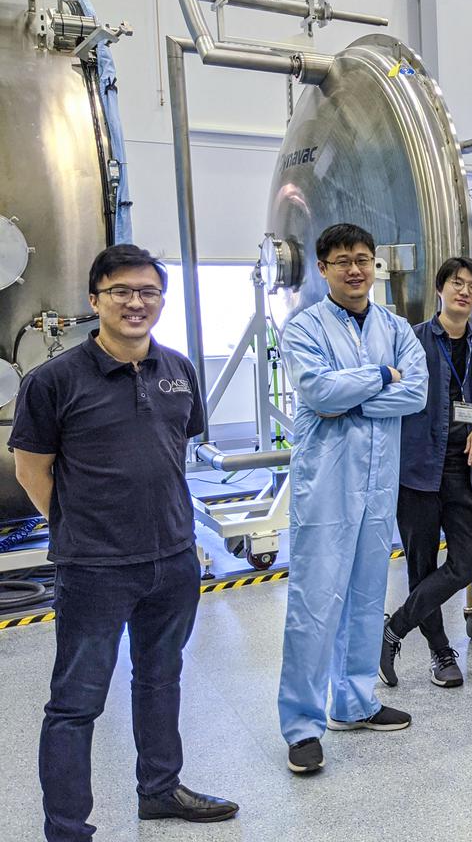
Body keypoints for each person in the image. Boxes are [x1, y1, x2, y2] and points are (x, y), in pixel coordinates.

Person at [10, 244, 238, 840]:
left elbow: (174, 455)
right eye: (121, 292)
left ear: (161, 300)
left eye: (148, 292)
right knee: (75, 704)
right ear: (95, 301)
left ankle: (160, 790)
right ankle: (66, 828)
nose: (136, 302)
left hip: (171, 560)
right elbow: (32, 470)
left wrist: (179, 540)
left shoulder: (180, 370)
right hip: (94, 570)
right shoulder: (52, 381)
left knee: (160, 679)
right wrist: (79, 529)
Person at [277, 223, 427, 775]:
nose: (355, 269)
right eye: (342, 260)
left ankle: (355, 701)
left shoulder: (395, 327)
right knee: (314, 605)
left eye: (363, 259)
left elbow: (416, 393)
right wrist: (380, 378)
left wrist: (357, 392)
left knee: (367, 596)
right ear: (323, 268)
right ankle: (301, 725)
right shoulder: (304, 327)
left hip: (378, 483)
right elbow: (318, 392)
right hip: (327, 484)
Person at [380, 256, 472, 689]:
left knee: (471, 559)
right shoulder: (411, 341)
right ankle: (439, 651)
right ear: (441, 288)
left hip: (467, 469)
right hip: (418, 467)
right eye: (457, 282)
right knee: (421, 562)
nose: (465, 291)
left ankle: (394, 627)